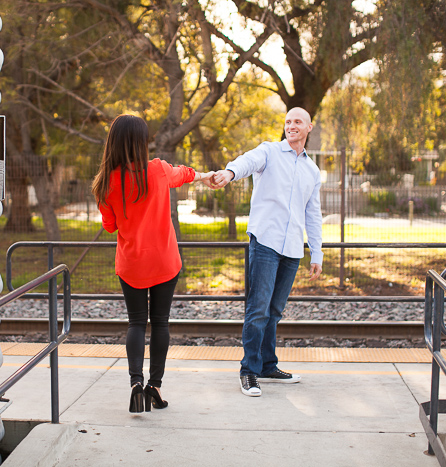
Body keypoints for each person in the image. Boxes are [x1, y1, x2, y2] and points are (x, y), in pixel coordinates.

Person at [92, 114, 215, 412]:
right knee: (160, 323)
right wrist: (205, 176)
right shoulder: (158, 170)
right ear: (142, 142)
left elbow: (110, 226)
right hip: (164, 261)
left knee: (136, 322)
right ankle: (154, 388)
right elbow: (183, 173)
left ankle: (136, 383)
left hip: (132, 263)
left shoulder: (105, 183)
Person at [210, 107, 323, 397]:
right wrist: (230, 172)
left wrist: (317, 253)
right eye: (288, 122)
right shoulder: (270, 152)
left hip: (293, 248)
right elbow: (248, 161)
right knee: (258, 309)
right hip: (265, 242)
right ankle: (249, 370)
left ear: (309, 127)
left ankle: (267, 365)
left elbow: (313, 213)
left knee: (274, 311)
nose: (291, 126)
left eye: (297, 122)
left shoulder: (312, 170)